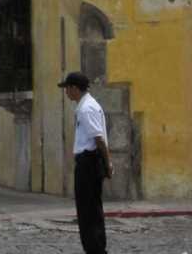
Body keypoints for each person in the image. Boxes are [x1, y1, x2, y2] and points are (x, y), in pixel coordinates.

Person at [61, 71, 112, 254]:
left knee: (87, 210)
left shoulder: (86, 109)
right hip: (89, 160)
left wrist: (108, 163)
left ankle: (95, 249)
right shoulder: (87, 105)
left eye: (67, 88)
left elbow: (98, 138)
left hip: (88, 162)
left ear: (74, 88)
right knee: (92, 208)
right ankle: (96, 247)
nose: (66, 92)